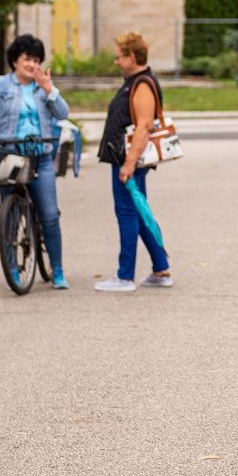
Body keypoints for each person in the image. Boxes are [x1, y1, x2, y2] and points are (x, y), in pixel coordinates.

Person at [0, 34, 70, 289]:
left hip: (41, 157)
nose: (32, 64)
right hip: (11, 155)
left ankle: (57, 269)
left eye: (36, 60)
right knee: (11, 216)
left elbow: (63, 113)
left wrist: (49, 89)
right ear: (15, 60)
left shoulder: (43, 86)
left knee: (49, 215)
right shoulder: (1, 86)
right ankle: (13, 268)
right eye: (27, 59)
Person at [95, 30, 173, 291]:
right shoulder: (136, 81)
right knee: (139, 213)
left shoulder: (142, 84)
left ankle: (124, 276)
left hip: (129, 162)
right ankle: (161, 269)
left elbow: (143, 127)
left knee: (127, 213)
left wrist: (128, 164)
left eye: (119, 57)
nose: (116, 61)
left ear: (131, 56)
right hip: (127, 160)